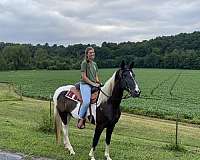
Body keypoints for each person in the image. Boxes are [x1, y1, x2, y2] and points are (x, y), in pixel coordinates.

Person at [77, 46, 100, 129]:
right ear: (87, 54)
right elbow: (84, 77)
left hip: (93, 84)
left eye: (93, 52)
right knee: (86, 102)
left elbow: (96, 75)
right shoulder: (84, 63)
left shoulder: (94, 64)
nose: (92, 54)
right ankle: (80, 119)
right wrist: (92, 84)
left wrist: (98, 82)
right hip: (85, 84)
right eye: (90, 53)